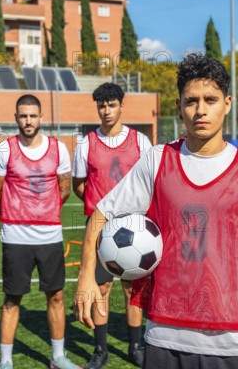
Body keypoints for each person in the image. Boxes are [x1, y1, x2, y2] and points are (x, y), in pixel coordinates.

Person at [74, 53, 238, 369]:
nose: (200, 109)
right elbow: (101, 214)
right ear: (179, 108)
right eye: (191, 101)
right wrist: (85, 277)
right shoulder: (157, 159)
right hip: (164, 335)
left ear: (227, 104)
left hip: (231, 339)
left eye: (210, 99)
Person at [0, 95, 79, 369]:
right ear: (16, 118)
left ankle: (58, 357)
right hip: (16, 236)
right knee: (12, 298)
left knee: (57, 296)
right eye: (23, 116)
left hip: (50, 235)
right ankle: (5, 361)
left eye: (33, 115)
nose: (28, 120)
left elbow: (64, 187)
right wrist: (14, 214)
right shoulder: (4, 150)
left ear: (41, 118)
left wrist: (46, 209)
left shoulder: (58, 149)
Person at [72, 82, 152, 368]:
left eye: (111, 105)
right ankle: (100, 350)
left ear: (121, 105)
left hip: (134, 230)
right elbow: (78, 185)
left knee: (132, 290)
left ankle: (135, 346)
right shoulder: (86, 143)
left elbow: (149, 182)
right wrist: (101, 208)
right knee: (101, 289)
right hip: (100, 230)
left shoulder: (141, 141)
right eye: (101, 106)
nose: (106, 111)